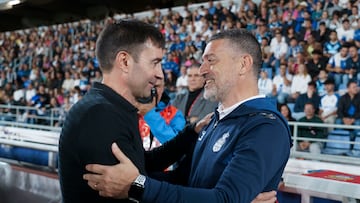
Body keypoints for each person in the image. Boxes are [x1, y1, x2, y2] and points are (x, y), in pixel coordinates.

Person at [83, 29, 292, 203]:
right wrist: (126, 179)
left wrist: (137, 186)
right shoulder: (212, 122)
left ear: (243, 64)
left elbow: (225, 199)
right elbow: (184, 180)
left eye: (211, 60)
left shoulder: (265, 127)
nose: (202, 70)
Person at [58, 20, 166, 202]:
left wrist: (189, 136)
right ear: (124, 61)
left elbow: (141, 165)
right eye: (154, 63)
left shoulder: (109, 107)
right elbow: (136, 190)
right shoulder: (100, 116)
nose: (160, 74)